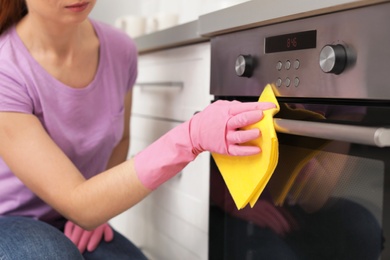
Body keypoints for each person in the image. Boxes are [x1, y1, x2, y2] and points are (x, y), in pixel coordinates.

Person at [0, 0, 276, 258]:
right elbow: (78, 202)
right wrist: (191, 135)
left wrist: (97, 210)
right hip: (10, 219)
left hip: (77, 213)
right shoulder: (6, 67)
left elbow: (121, 141)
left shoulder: (119, 49)